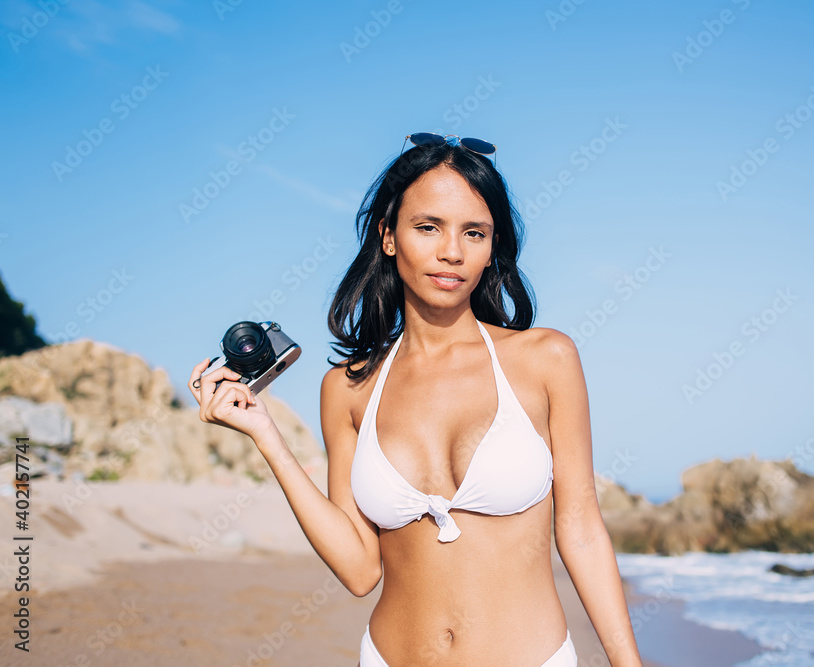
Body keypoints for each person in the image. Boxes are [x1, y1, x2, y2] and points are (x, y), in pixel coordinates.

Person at [189, 133, 643, 666]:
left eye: (474, 232)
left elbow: (582, 529)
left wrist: (627, 664)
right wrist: (267, 436)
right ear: (389, 236)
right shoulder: (348, 387)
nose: (452, 251)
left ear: (492, 246)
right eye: (428, 227)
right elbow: (360, 570)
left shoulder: (546, 359)